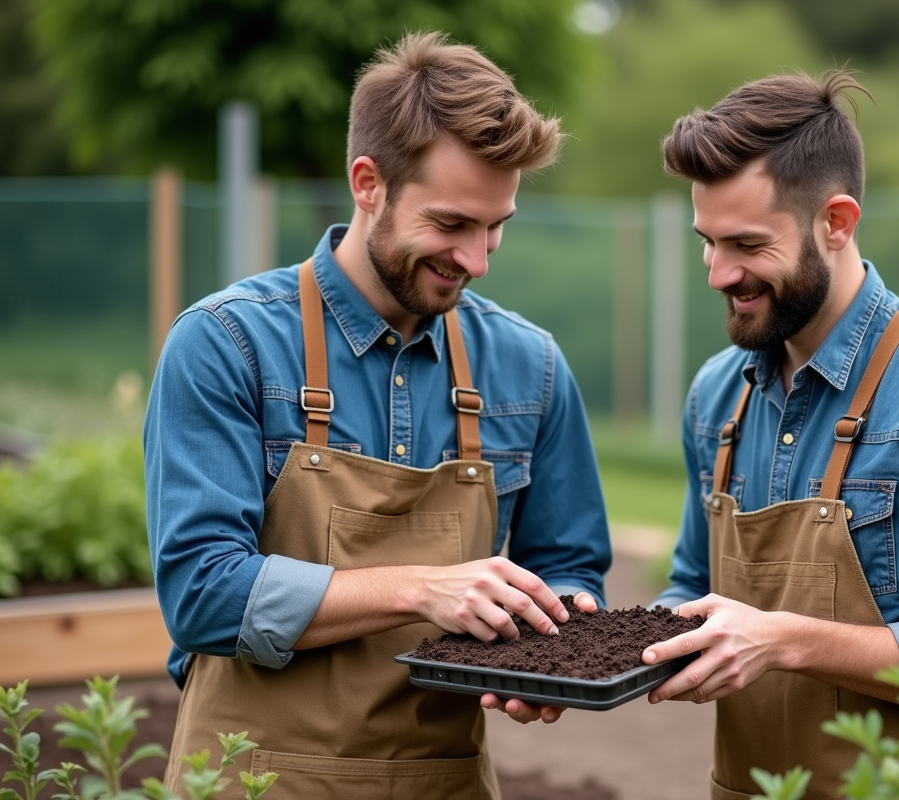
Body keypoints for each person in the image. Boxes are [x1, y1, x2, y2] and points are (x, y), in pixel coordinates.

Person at [143, 32, 611, 799]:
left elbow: (567, 563)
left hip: (447, 780)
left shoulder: (530, 366)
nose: (479, 259)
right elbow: (202, 592)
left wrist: (553, 642)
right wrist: (421, 588)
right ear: (368, 183)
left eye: (497, 226)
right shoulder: (229, 343)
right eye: (453, 224)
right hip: (251, 777)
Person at [640, 70, 899, 799]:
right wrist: (585, 656)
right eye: (706, 242)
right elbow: (692, 585)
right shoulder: (717, 395)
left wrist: (784, 640)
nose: (717, 272)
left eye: (745, 243)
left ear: (835, 221)